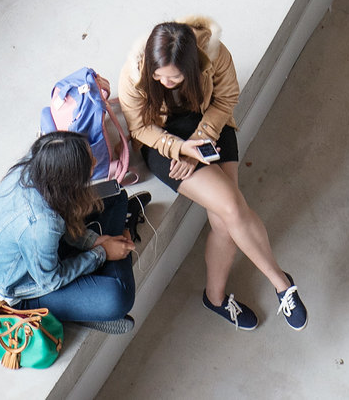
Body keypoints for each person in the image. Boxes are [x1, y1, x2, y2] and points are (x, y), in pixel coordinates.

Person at [117, 17, 306, 332]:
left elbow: (226, 100)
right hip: (163, 142)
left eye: (174, 78)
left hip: (209, 125)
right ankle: (282, 283)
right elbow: (140, 127)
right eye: (159, 77)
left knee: (223, 220)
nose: (165, 83)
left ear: (190, 67)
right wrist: (180, 149)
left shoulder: (214, 53)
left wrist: (200, 138)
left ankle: (215, 299)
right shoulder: (134, 73)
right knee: (231, 206)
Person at [0, 132, 141, 336]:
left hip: (40, 249)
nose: (96, 161)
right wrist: (101, 252)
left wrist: (93, 240)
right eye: (90, 162)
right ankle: (73, 306)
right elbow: (51, 280)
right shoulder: (41, 223)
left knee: (117, 196)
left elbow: (63, 213)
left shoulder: (39, 166)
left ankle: (84, 298)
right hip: (26, 287)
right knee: (119, 297)